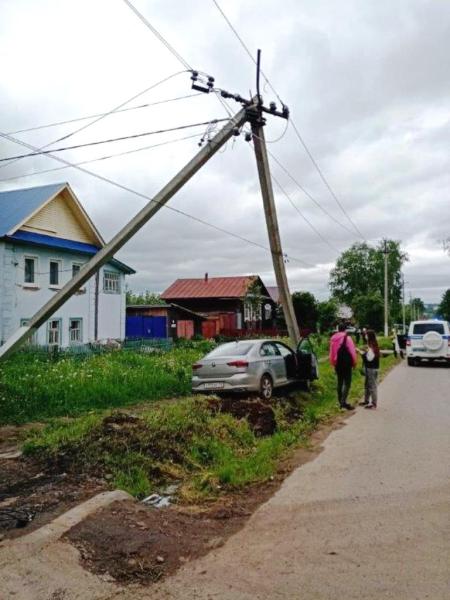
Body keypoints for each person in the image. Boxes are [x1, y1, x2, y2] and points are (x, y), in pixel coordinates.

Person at [329, 323, 357, 410]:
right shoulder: (347, 338)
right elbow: (352, 351)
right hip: (346, 364)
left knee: (340, 382)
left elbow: (331, 352)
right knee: (347, 383)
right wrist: (354, 362)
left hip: (338, 364)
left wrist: (333, 362)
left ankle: (340, 401)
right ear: (345, 330)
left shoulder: (333, 339)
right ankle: (343, 402)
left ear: (338, 329)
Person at [358, 329, 380, 410]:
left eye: (366, 334)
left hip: (372, 369)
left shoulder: (372, 346)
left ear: (369, 336)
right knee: (367, 385)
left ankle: (374, 404)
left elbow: (369, 358)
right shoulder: (372, 344)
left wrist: (361, 353)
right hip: (370, 368)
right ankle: (366, 401)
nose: (365, 336)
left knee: (372, 386)